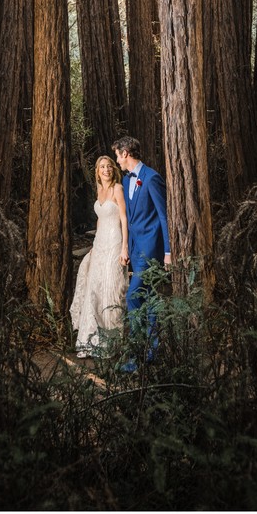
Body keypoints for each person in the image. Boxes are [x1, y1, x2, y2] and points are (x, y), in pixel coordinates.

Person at [112, 135, 170, 366]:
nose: (117, 160)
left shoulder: (152, 178)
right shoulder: (127, 181)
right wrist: (126, 247)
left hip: (152, 249)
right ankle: (152, 354)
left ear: (125, 153)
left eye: (117, 155)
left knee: (133, 297)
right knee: (151, 298)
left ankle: (136, 355)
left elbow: (164, 217)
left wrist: (168, 250)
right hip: (136, 249)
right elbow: (130, 217)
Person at [70, 155, 129, 358]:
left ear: (113, 169)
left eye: (109, 166)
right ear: (97, 171)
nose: (106, 170)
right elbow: (100, 219)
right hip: (100, 243)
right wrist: (94, 244)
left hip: (115, 243)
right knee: (93, 288)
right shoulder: (99, 190)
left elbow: (124, 219)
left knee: (110, 288)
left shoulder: (117, 189)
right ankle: (89, 341)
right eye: (102, 167)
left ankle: (110, 344)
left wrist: (124, 247)